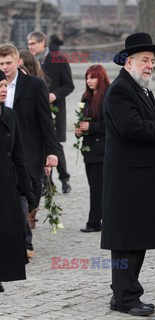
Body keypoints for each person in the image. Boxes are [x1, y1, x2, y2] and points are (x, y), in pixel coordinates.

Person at [101, 32, 155, 316]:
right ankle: (126, 298)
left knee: (136, 239)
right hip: (127, 180)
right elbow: (131, 127)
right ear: (128, 61)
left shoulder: (142, 89)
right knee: (126, 242)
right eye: (145, 60)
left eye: (153, 61)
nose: (150, 65)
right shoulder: (121, 89)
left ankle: (124, 294)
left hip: (141, 178)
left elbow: (146, 123)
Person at [0, 44, 58, 258]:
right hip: (5, 153)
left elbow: (45, 121)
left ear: (18, 61)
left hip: (30, 151)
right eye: (1, 64)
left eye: (8, 63)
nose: (5, 67)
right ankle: (24, 243)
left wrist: (52, 152)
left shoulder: (34, 85)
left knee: (28, 196)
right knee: (15, 199)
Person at [0, 70, 36, 293]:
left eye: (5, 85)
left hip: (6, 184)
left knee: (6, 232)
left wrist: (27, 188)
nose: (4, 89)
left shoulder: (10, 115)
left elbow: (19, 155)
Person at [28, 31, 74, 193]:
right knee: (41, 145)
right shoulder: (29, 62)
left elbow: (69, 85)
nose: (30, 46)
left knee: (55, 146)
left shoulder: (58, 59)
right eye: (28, 44)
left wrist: (54, 95)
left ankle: (64, 179)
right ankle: (47, 182)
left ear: (42, 43)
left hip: (55, 109)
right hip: (36, 111)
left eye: (33, 43)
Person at [75, 65, 110, 233]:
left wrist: (91, 126)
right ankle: (101, 219)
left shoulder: (107, 97)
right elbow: (81, 120)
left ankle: (94, 221)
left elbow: (109, 125)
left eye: (93, 77)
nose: (89, 81)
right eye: (87, 77)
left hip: (102, 150)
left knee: (98, 187)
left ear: (101, 78)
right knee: (94, 186)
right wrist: (79, 130)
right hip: (89, 150)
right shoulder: (86, 98)